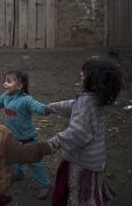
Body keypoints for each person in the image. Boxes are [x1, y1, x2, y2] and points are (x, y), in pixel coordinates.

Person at [48, 58, 122, 206]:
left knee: (82, 197)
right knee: (66, 188)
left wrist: (54, 142)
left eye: (84, 74)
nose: (81, 75)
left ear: (93, 80)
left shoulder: (87, 102)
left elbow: (78, 133)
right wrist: (51, 107)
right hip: (91, 160)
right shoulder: (95, 98)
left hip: (81, 164)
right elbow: (73, 105)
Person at [0, 70, 52, 199]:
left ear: (20, 85)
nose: (4, 84)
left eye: (9, 81)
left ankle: (45, 185)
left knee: (34, 162)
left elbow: (38, 107)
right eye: (5, 80)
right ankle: (17, 173)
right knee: (12, 157)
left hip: (28, 139)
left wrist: (47, 108)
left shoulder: (26, 100)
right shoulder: (5, 97)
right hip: (12, 137)